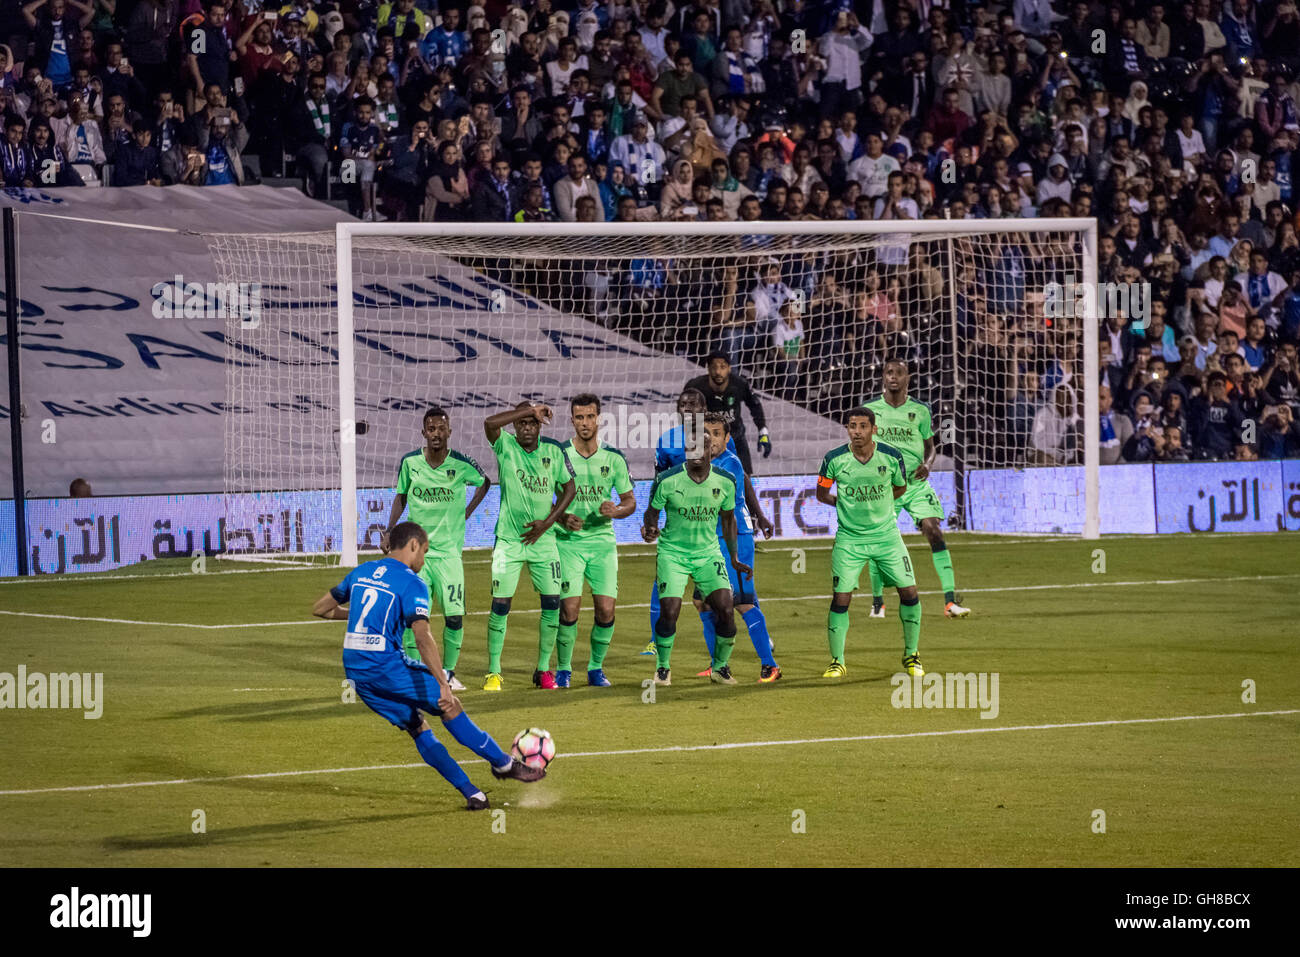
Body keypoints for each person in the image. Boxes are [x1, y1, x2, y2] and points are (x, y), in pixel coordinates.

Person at [311, 522, 544, 812]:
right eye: (424, 551)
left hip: (356, 673)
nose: (423, 559)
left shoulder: (361, 572)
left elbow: (320, 609)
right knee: (450, 705)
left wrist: (361, 616)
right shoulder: (412, 582)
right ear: (412, 546)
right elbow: (422, 636)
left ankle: (473, 793)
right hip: (385, 666)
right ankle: (504, 764)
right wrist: (443, 682)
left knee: (417, 727)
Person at [383, 407, 491, 691]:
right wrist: (389, 528)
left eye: (441, 428)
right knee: (414, 617)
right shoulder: (410, 463)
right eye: (431, 429)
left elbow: (486, 482)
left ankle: (449, 672)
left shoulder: (461, 464)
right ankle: (416, 671)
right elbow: (401, 496)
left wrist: (467, 511)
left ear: (449, 432)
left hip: (449, 555)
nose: (436, 434)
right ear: (423, 433)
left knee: (454, 616)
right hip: (416, 556)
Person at [816, 406, 924, 679]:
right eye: (852, 426)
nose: (857, 431)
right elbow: (821, 492)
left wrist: (883, 506)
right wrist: (844, 506)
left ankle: (911, 654)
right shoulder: (833, 459)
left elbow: (900, 487)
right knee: (841, 597)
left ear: (873, 429)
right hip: (850, 540)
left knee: (909, 592)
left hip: (887, 536)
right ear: (847, 429)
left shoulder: (890, 457)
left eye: (863, 426)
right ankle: (837, 660)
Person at [640, 426, 748, 687]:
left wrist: (733, 557)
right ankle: (663, 667)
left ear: (710, 449)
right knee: (670, 611)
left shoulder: (724, 481)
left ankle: (719, 668)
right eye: (690, 447)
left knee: (726, 609)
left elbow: (728, 520)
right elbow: (650, 514)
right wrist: (650, 530)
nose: (695, 451)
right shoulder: (667, 480)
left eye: (701, 446)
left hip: (707, 553)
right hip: (673, 554)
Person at [481, 401, 577, 691]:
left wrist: (549, 523)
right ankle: (494, 672)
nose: (526, 428)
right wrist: (528, 410)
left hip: (544, 541)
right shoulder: (505, 445)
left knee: (551, 603)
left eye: (532, 423)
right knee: (500, 605)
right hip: (509, 541)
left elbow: (570, 489)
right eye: (522, 422)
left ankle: (543, 670)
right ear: (515, 425)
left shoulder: (553, 452)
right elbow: (489, 423)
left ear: (539, 427)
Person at [866, 359, 972, 619]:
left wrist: (927, 464)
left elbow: (931, 446)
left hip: (915, 484)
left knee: (933, 530)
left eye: (898, 373)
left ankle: (950, 602)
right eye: (888, 373)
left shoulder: (921, 411)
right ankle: (878, 603)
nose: (893, 377)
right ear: (882, 377)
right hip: (885, 487)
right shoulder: (869, 410)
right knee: (878, 541)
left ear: (907, 378)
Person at [553, 394, 637, 688]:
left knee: (606, 610)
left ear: (598, 418)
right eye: (579, 417)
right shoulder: (558, 454)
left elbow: (630, 502)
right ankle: (563, 670)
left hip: (602, 543)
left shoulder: (613, 457)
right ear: (572, 420)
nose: (585, 423)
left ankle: (595, 668)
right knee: (569, 609)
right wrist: (562, 518)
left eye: (590, 417)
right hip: (568, 542)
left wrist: (616, 511)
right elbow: (543, 501)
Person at [689, 412, 779, 682]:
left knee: (740, 602)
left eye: (717, 433)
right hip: (709, 540)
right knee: (702, 602)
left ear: (727, 438)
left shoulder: (729, 464)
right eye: (706, 433)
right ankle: (720, 664)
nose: (711, 439)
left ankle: (769, 665)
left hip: (734, 538)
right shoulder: (699, 462)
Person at [685, 352, 770, 474]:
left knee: (745, 480)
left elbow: (754, 405)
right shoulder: (695, 387)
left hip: (735, 438)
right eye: (714, 367)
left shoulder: (740, 384)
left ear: (729, 368)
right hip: (707, 442)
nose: (718, 372)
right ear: (708, 369)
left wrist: (763, 431)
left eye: (723, 367)